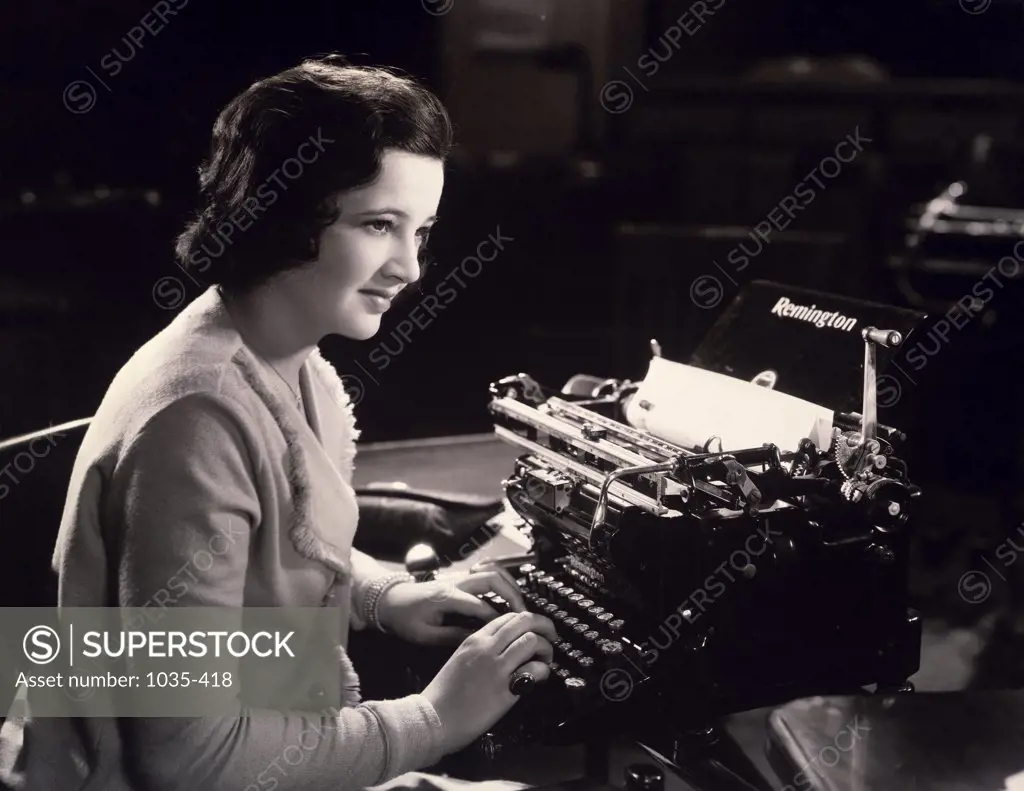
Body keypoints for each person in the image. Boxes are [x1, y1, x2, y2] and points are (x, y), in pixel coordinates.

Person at [2, 56, 556, 791]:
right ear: (283, 214)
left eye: (420, 231)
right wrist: (435, 718)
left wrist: (382, 595)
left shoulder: (288, 364)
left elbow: (268, 553)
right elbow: (184, 757)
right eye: (378, 225)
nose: (411, 267)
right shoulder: (197, 413)